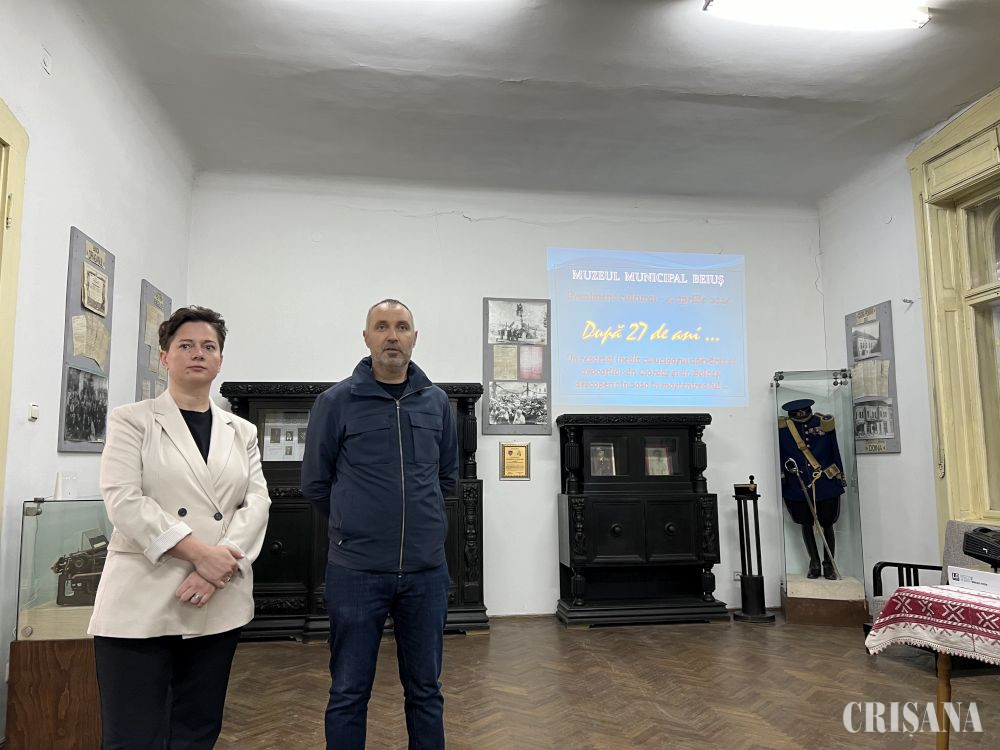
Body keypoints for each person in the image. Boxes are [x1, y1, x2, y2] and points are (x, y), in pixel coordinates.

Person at [88, 305, 271, 749]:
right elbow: (124, 500)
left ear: (220, 360)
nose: (198, 353)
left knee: (197, 728)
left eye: (209, 346)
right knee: (133, 734)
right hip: (143, 596)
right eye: (185, 345)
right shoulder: (132, 420)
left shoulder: (242, 431)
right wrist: (201, 556)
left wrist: (216, 569)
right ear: (165, 357)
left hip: (217, 598)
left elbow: (257, 503)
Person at [302, 298, 458, 750]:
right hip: (356, 572)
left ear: (414, 337)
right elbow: (315, 482)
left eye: (402, 327)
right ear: (366, 336)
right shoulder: (336, 402)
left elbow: (447, 477)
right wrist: (355, 523)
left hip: (426, 573)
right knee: (348, 692)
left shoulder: (437, 403)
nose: (393, 335)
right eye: (383, 326)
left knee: (426, 691)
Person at [777, 398, 845, 580]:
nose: (801, 415)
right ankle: (814, 563)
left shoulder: (823, 423)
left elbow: (835, 450)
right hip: (797, 485)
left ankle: (828, 564)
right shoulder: (784, 429)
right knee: (805, 523)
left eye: (803, 412)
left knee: (827, 524)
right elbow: (781, 455)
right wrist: (783, 479)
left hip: (825, 483)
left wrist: (840, 475)